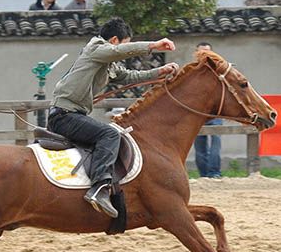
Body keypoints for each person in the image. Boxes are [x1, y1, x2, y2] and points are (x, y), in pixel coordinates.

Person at [47, 16, 177, 217]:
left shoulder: (108, 63)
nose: (124, 51)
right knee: (110, 134)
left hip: (71, 114)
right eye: (125, 44)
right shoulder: (96, 48)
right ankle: (99, 188)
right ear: (115, 40)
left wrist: (159, 72)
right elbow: (118, 53)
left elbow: (129, 76)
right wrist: (153, 45)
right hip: (65, 116)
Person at [192, 42, 222, 179]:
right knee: (200, 147)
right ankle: (204, 174)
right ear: (196, 53)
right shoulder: (192, 71)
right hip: (197, 114)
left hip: (215, 113)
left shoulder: (217, 70)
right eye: (202, 52)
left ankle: (214, 173)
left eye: (208, 52)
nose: (205, 55)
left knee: (216, 144)